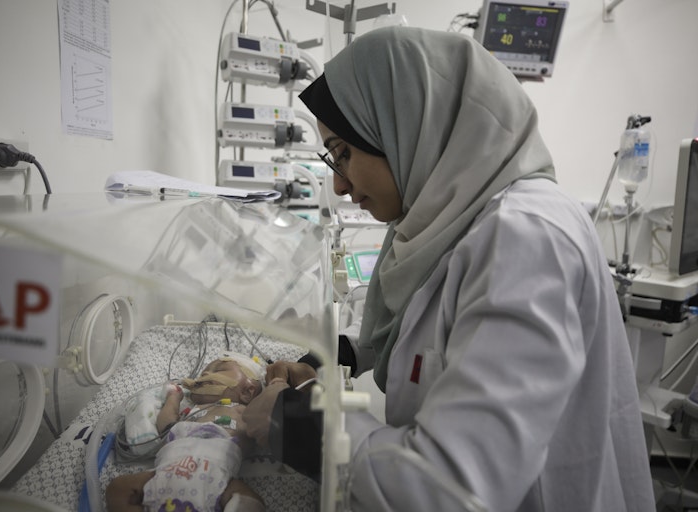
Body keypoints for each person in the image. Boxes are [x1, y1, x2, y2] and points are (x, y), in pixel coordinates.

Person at [242, 26, 657, 511]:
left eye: (344, 153)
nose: (337, 185)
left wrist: (299, 423)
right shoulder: (449, 218)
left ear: (407, 125)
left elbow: (455, 486)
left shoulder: (526, 237)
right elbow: (432, 320)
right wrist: (342, 352)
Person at [106, 353, 266, 512]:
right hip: (165, 470)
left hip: (218, 477)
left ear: (247, 392)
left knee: (251, 502)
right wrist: (173, 398)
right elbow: (167, 427)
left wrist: (273, 387)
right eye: (203, 373)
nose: (205, 375)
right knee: (117, 488)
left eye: (219, 371)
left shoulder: (245, 411)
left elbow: (267, 423)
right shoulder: (191, 412)